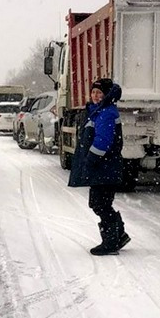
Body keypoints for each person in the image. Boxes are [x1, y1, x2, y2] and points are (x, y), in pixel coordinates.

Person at [68, 78, 130, 255]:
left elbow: (103, 141)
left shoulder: (106, 113)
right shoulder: (98, 110)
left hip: (105, 167)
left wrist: (90, 160)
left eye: (99, 93)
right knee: (100, 203)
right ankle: (119, 235)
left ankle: (111, 242)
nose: (95, 96)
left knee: (100, 204)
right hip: (103, 167)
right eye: (93, 92)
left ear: (106, 95)